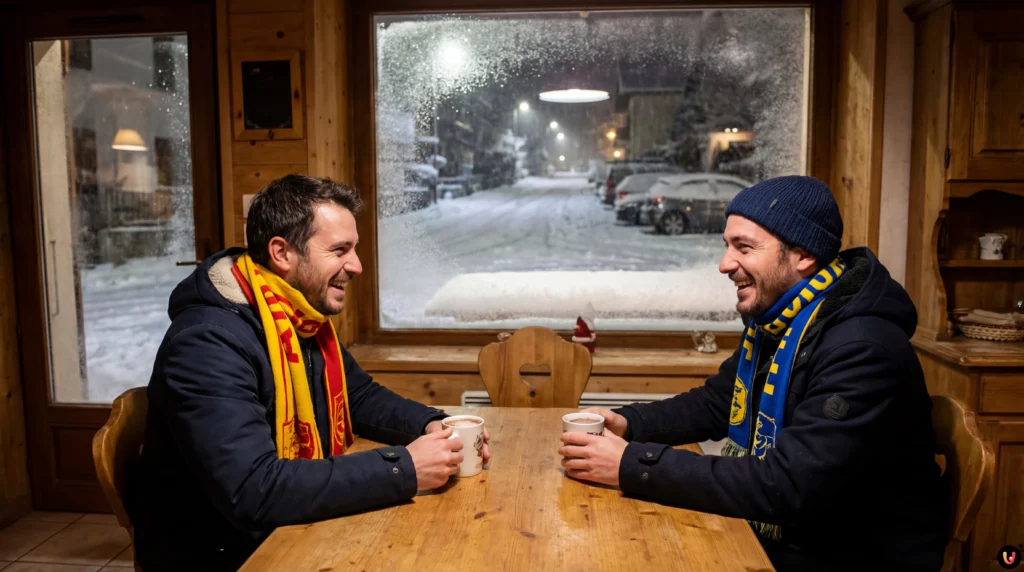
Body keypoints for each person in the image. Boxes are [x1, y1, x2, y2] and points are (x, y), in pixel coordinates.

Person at [558, 175, 947, 571]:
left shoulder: (863, 349)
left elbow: (789, 485)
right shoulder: (784, 322)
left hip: (851, 556)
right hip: (800, 537)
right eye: (727, 245)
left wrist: (630, 465)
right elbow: (717, 404)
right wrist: (627, 423)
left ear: (803, 255)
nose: (725, 264)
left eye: (743, 247)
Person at [128, 175, 489, 571]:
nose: (357, 266)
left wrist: (434, 423)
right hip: (223, 553)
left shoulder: (296, 314)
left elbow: (360, 396)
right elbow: (254, 490)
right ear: (282, 253)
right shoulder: (206, 343)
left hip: (280, 530)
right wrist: (404, 468)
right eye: (340, 250)